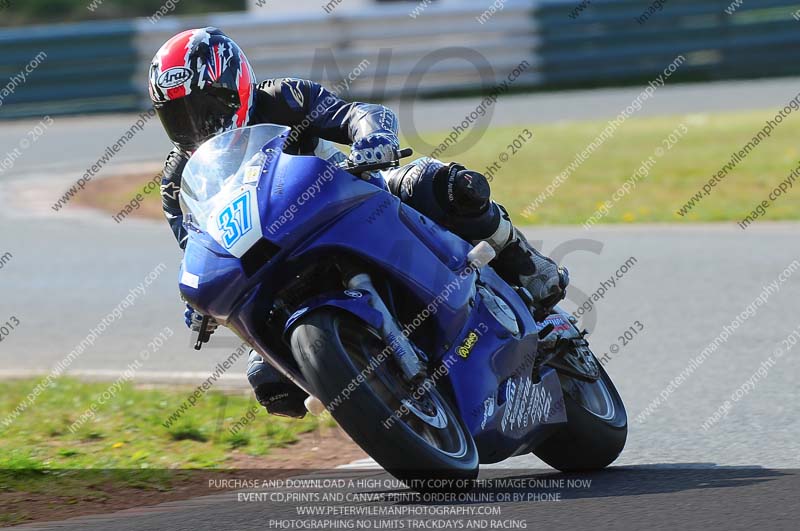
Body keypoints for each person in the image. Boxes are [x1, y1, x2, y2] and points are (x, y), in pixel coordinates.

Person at [149, 27, 568, 418]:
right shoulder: (176, 180)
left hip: (351, 196)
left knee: (448, 186)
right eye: (177, 116)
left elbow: (356, 114)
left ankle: (527, 266)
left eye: (203, 109)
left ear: (233, 88)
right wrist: (200, 302)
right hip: (272, 257)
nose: (194, 126)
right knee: (269, 383)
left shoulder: (283, 98)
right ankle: (382, 399)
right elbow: (197, 246)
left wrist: (372, 138)